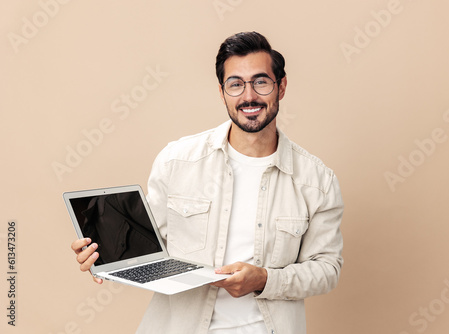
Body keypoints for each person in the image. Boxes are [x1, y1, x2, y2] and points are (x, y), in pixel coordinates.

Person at [71, 31, 344, 334]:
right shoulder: (177, 161)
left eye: (261, 81)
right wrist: (105, 256)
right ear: (222, 91)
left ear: (281, 87)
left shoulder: (317, 181)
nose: (249, 96)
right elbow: (148, 245)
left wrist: (265, 279)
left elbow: (326, 269)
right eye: (236, 84)